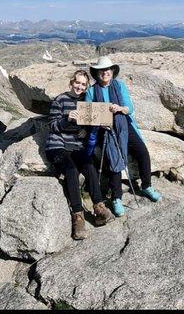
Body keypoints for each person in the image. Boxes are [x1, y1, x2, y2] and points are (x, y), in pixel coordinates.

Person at [85, 56, 162, 217]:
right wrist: (100, 123)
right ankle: (116, 198)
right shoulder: (92, 91)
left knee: (142, 152)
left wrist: (120, 108)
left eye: (107, 69)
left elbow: (130, 108)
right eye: (101, 70)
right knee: (114, 159)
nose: (105, 73)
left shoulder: (120, 86)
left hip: (123, 124)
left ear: (112, 71)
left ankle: (146, 186)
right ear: (97, 73)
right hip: (104, 129)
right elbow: (89, 115)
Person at [45, 69, 115, 240]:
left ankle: (99, 208)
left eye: (83, 84)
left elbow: (91, 122)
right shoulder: (60, 100)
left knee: (89, 166)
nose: (79, 86)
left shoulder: (86, 101)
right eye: (77, 82)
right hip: (57, 146)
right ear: (71, 82)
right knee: (70, 170)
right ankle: (78, 216)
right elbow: (52, 126)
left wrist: (92, 127)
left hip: (76, 146)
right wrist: (67, 119)